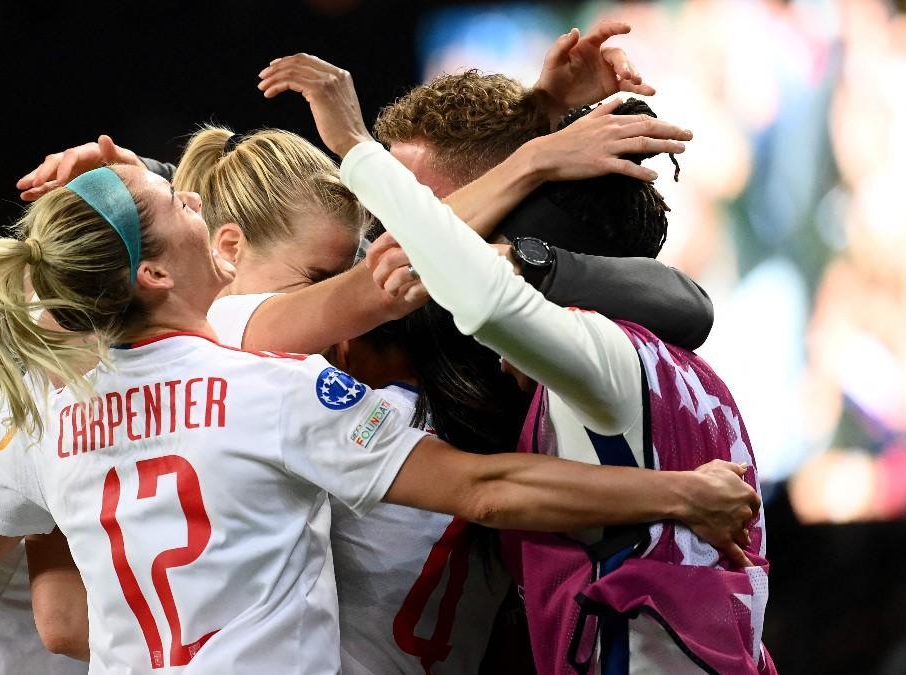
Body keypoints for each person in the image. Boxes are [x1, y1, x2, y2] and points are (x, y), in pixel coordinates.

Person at [0, 162, 757, 674]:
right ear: (152, 276)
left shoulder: (56, 409)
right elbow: (486, 490)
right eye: (176, 203)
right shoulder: (267, 390)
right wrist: (680, 493)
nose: (196, 201)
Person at [259, 52, 774, 673]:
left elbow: (686, 302)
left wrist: (528, 162)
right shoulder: (330, 360)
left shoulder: (559, 356)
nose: (391, 240)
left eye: (410, 210)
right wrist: (536, 137)